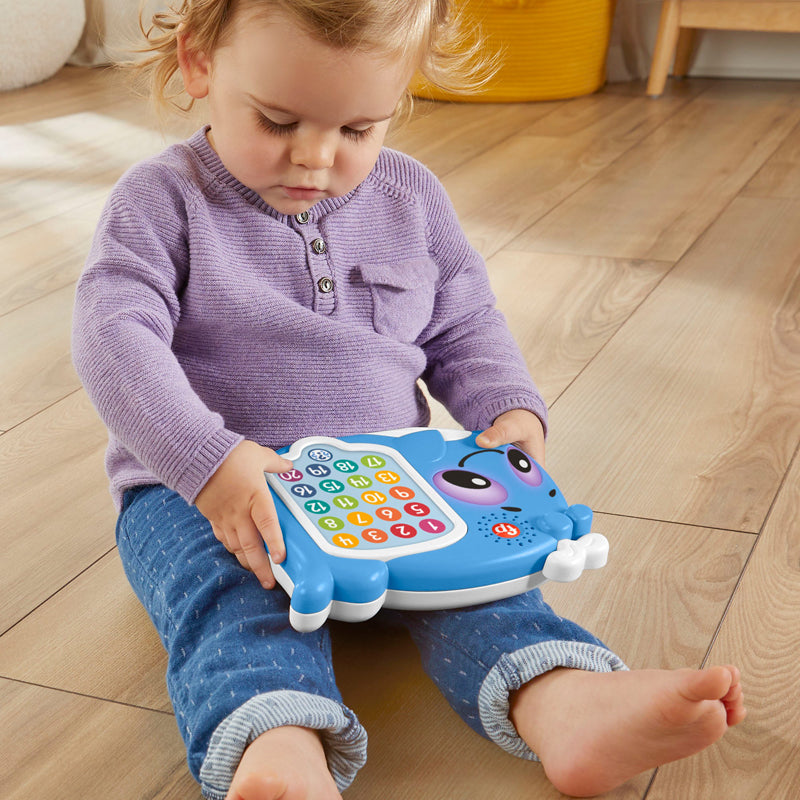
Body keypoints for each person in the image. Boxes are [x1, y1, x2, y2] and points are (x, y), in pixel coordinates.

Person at [72, 1, 746, 798]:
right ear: (199, 62)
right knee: (231, 602)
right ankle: (276, 744)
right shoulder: (160, 201)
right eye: (278, 120)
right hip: (202, 492)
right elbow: (113, 340)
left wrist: (505, 407)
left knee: (486, 587)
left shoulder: (411, 198)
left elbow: (463, 322)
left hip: (387, 487)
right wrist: (207, 463)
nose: (316, 157)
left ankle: (564, 701)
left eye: (358, 129)